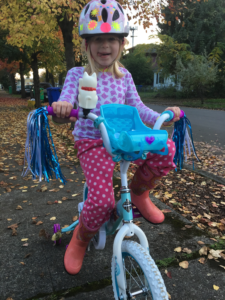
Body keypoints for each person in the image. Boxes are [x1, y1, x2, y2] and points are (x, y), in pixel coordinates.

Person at [52, 0, 181, 275]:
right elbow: (64, 103)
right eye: (98, 39)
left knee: (166, 148)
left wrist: (163, 115)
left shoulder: (124, 76)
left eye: (111, 39)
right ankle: (81, 238)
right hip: (93, 142)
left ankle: (138, 193)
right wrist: (63, 109)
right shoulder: (77, 75)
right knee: (101, 202)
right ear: (87, 45)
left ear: (121, 43)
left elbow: (139, 109)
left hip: (124, 139)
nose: (105, 46)